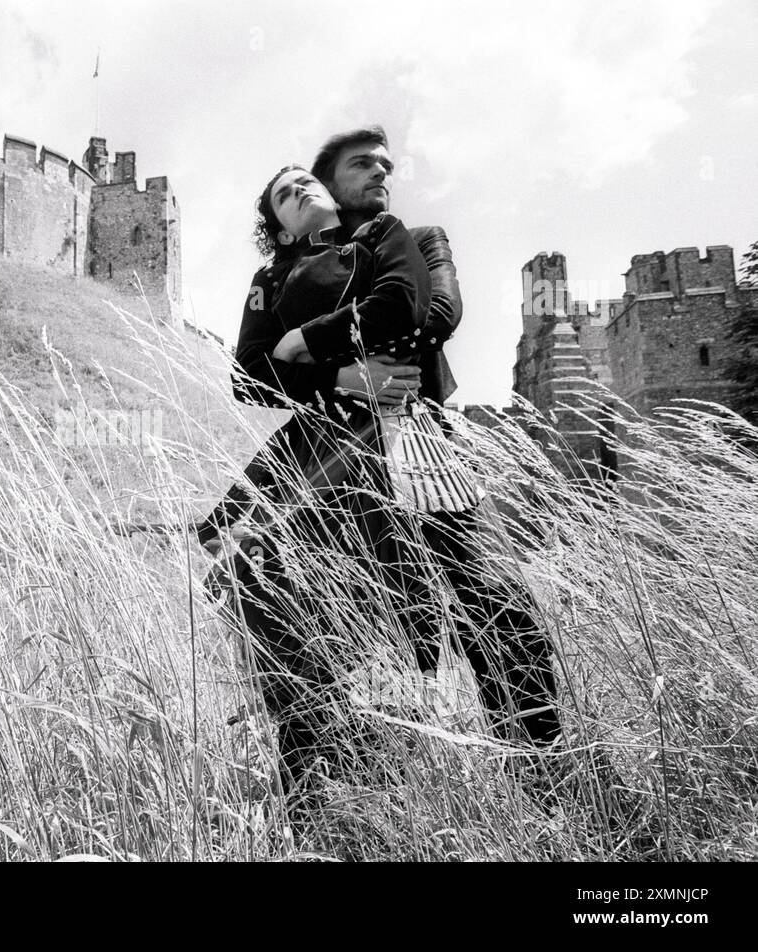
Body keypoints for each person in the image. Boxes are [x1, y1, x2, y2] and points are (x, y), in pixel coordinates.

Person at [199, 127, 564, 830]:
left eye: (386, 165)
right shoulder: (277, 274)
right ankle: (330, 803)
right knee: (308, 614)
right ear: (326, 179)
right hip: (325, 451)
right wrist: (337, 374)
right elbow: (249, 374)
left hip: (418, 440)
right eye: (362, 164)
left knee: (495, 603)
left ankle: (543, 775)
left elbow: (432, 317)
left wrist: (307, 343)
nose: (381, 174)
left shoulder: (414, 235)